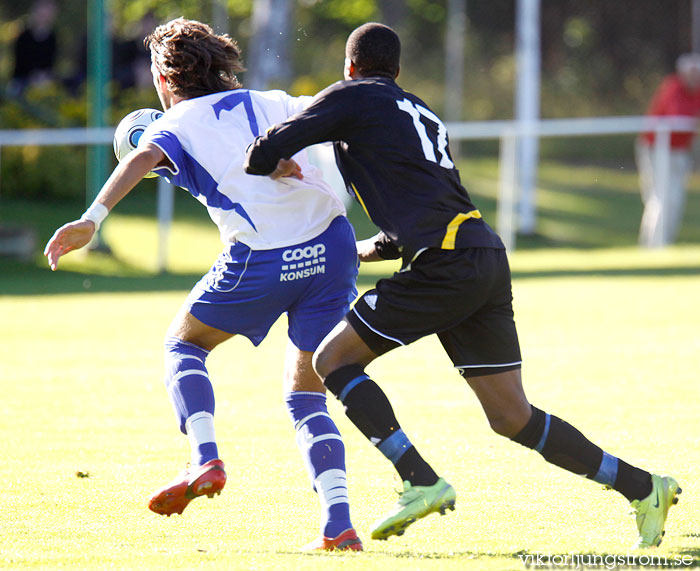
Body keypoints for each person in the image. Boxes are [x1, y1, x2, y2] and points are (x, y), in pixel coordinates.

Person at [244, 22, 681, 549]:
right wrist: (376, 247)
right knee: (511, 416)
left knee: (332, 361)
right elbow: (430, 197)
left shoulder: (353, 95)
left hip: (446, 263)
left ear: (350, 67)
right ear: (398, 72)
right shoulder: (420, 110)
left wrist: (276, 162)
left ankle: (419, 479)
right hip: (482, 254)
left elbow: (263, 152)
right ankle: (644, 488)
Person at [44, 18, 363, 552]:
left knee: (183, 344)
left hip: (263, 260)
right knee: (308, 393)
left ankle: (205, 458)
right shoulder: (273, 99)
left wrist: (91, 219)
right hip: (332, 251)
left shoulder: (178, 124)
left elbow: (143, 155)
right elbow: (335, 121)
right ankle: (339, 524)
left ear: (165, 80)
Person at [637, 53, 700, 247]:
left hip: (680, 152)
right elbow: (676, 117)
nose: (695, 76)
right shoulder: (672, 87)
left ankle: (664, 244)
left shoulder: (697, 92)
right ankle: (651, 246)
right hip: (656, 149)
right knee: (660, 198)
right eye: (692, 72)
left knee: (675, 200)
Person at [8, 0, 58, 97]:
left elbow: (50, 64)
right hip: (22, 80)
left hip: (43, 81)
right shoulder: (24, 36)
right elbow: (20, 62)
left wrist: (43, 76)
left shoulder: (52, 37)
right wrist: (32, 77)